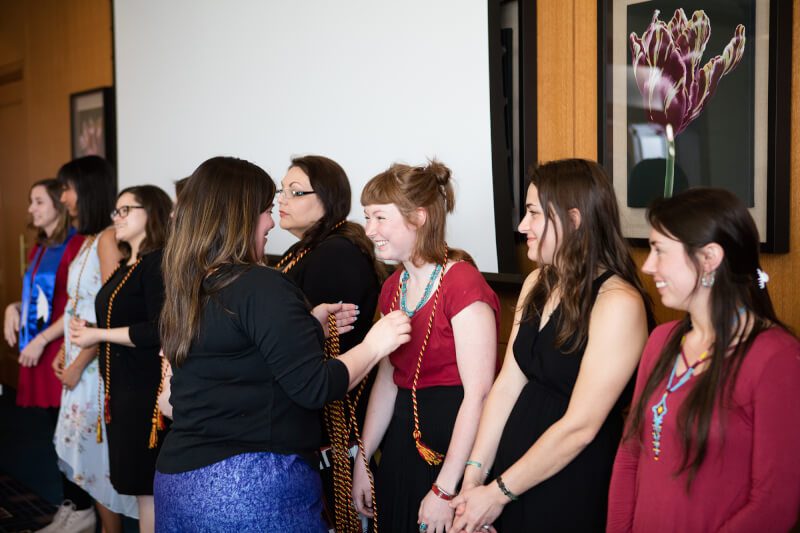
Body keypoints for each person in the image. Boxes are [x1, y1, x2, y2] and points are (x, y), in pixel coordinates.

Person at [152, 156, 411, 532]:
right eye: (264, 211)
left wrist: (304, 327)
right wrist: (375, 343)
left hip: (178, 481)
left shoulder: (190, 287)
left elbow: (233, 357)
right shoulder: (260, 285)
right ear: (240, 217)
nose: (271, 221)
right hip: (247, 487)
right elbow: (314, 386)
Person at [450, 159, 651, 533]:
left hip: (569, 480)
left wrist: (496, 495)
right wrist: (474, 480)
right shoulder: (537, 282)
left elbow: (581, 427)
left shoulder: (618, 303)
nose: (522, 226)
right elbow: (507, 386)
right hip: (508, 476)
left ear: (573, 219)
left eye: (533, 213)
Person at [607, 188, 800, 532]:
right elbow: (630, 455)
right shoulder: (661, 340)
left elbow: (774, 505)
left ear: (709, 258)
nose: (648, 266)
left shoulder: (776, 358)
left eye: (659, 251)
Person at [353, 161, 500, 533]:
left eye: (380, 218)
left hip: (455, 441)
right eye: (367, 217)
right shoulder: (393, 288)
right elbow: (389, 379)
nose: (370, 230)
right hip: (404, 440)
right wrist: (363, 459)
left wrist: (445, 489)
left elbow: (478, 395)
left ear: (418, 217)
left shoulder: (462, 283)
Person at [275, 155, 384, 530]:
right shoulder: (307, 249)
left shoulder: (335, 252)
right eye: (281, 191)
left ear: (328, 198)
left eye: (295, 192)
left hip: (332, 418)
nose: (281, 200)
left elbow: (325, 345)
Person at [69, 185, 172, 533]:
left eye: (127, 209)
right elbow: (126, 324)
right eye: (116, 211)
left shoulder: (157, 262)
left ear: (153, 212)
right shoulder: (130, 264)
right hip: (122, 393)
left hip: (144, 394)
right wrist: (92, 328)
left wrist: (97, 335)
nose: (117, 218)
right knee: (143, 490)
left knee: (151, 490)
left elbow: (158, 330)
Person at [50, 156, 137, 533]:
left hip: (93, 370)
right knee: (87, 465)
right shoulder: (86, 240)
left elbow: (110, 309)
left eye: (67, 189)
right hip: (78, 363)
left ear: (86, 191)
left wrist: (78, 362)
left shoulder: (105, 240)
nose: (64, 198)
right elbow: (80, 307)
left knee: (99, 467)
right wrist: (61, 350)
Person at [4, 179, 84, 409]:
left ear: (59, 206)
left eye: (38, 202)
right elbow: (40, 299)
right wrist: (14, 308)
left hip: (60, 344)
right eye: (31, 202)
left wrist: (41, 341)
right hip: (38, 342)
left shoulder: (76, 245)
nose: (31, 209)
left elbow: (77, 306)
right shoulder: (40, 246)